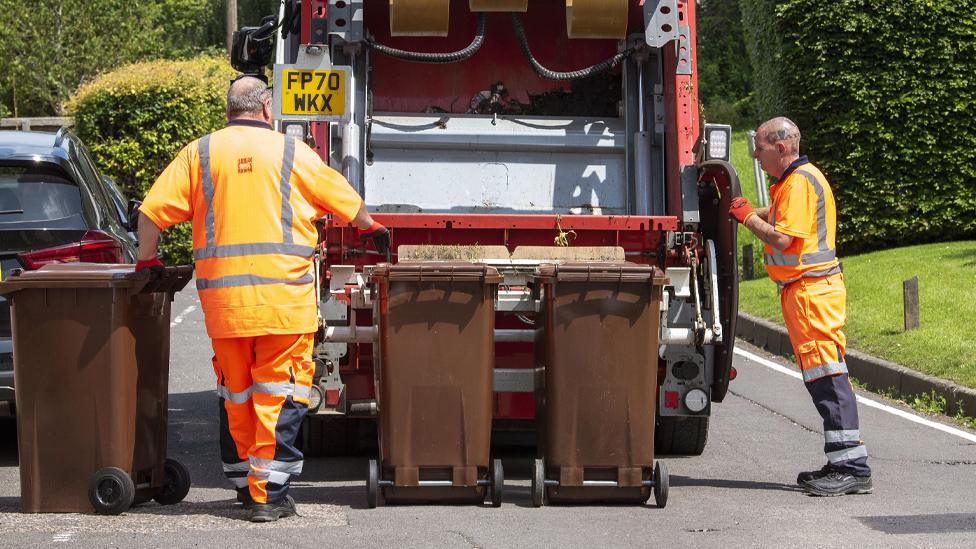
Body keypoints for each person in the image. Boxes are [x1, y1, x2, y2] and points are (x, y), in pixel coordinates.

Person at [135, 76, 390, 521]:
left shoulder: (200, 153)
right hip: (281, 304)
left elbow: (151, 213)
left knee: (237, 395)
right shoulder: (291, 152)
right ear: (267, 108)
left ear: (229, 109)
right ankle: (267, 495)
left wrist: (147, 260)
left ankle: (244, 484)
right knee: (278, 394)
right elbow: (348, 205)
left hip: (224, 308)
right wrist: (375, 228)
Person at [729, 117, 872, 497]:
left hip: (811, 292)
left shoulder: (800, 183)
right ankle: (844, 458)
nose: (755, 155)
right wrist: (749, 210)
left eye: (759, 148)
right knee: (824, 375)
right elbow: (778, 216)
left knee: (828, 376)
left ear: (781, 147)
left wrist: (744, 217)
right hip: (808, 291)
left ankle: (852, 467)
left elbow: (784, 239)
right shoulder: (795, 182)